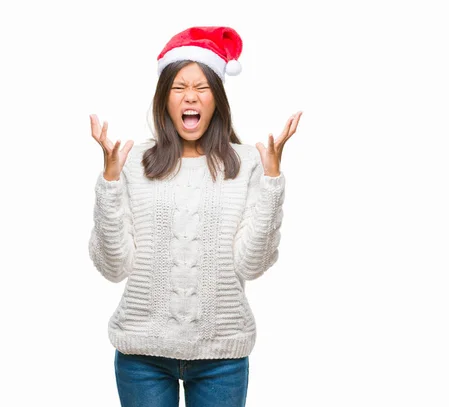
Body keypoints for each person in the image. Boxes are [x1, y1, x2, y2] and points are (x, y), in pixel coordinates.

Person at [88, 26, 302, 407]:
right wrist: (109, 181)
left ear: (217, 99)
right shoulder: (134, 161)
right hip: (142, 355)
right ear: (164, 99)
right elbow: (113, 266)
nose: (191, 97)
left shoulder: (248, 163)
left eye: (202, 88)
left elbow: (251, 265)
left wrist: (272, 181)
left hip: (222, 358)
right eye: (179, 88)